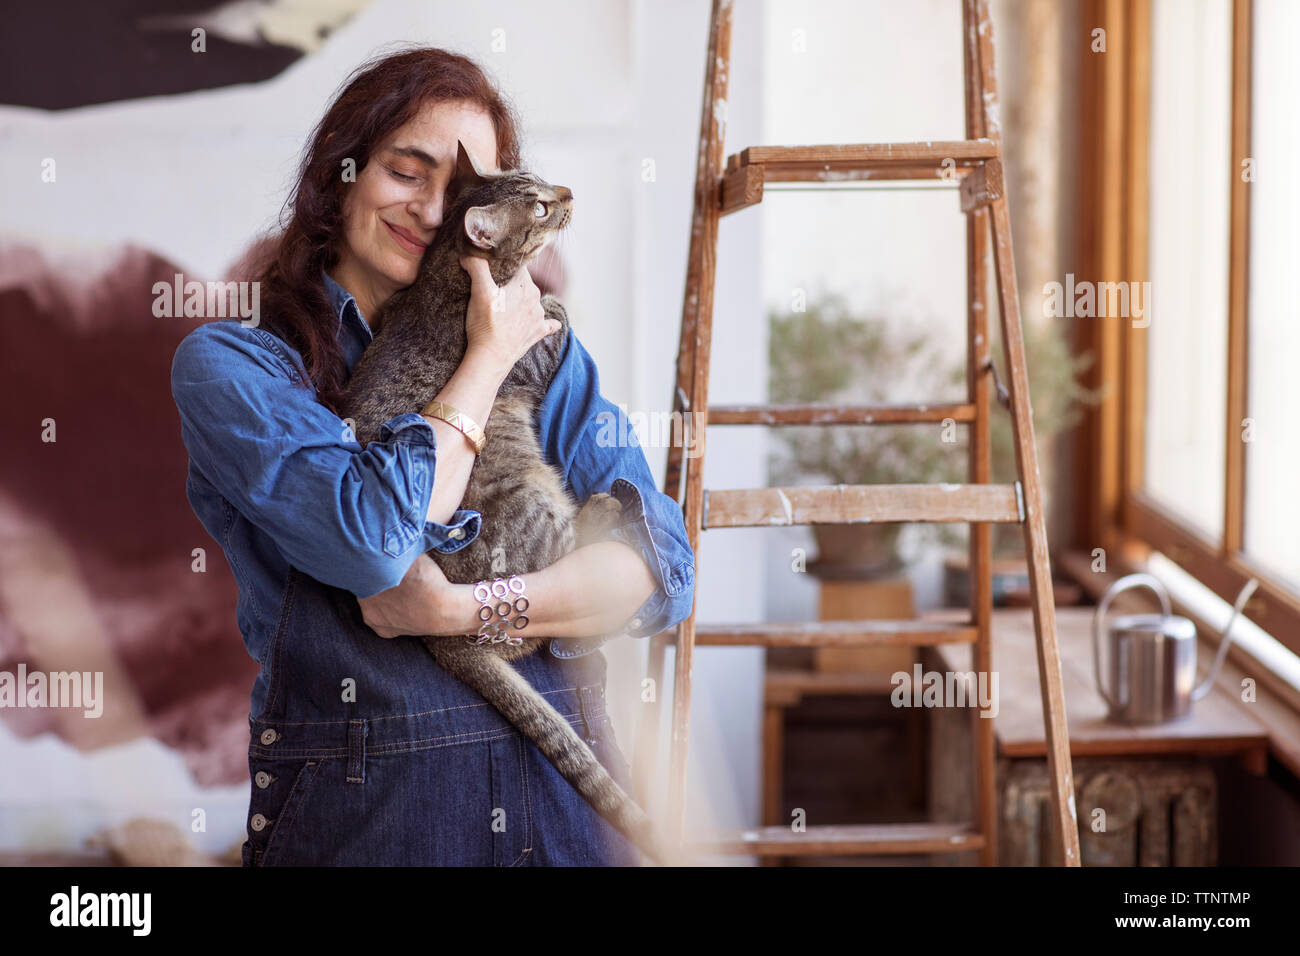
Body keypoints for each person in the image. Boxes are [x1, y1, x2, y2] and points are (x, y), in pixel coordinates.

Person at [170, 48, 695, 866]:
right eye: (407, 172)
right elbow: (376, 545)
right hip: (373, 822)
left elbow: (661, 572)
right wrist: (484, 360)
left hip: (561, 822)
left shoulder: (545, 343)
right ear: (340, 173)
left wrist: (459, 612)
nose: (436, 211)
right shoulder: (238, 366)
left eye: (462, 191)